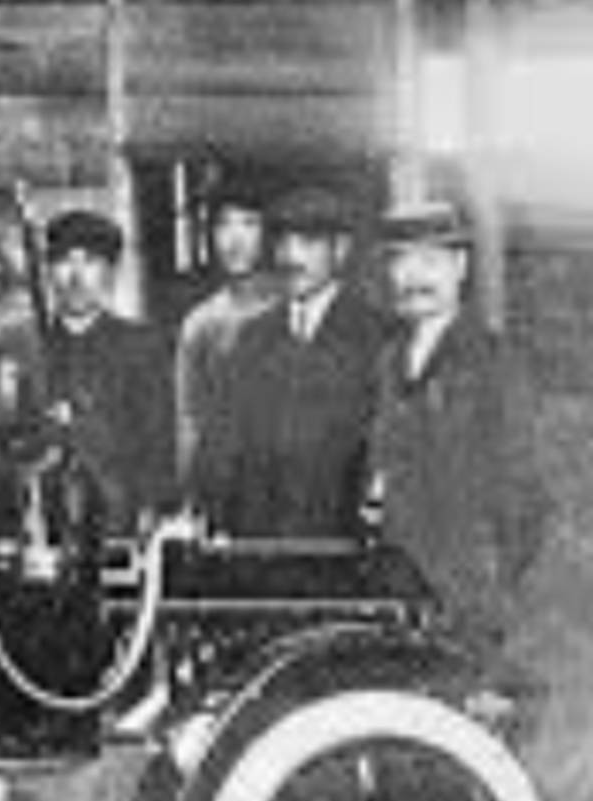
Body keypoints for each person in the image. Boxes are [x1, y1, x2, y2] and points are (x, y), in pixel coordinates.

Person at [371, 201, 551, 660]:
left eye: (430, 261)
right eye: (401, 261)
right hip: (395, 594)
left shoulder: (494, 364)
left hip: (467, 604)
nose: (413, 277)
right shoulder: (388, 362)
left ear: (460, 266)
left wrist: (490, 589)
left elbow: (524, 500)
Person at [191, 187, 388, 539]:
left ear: (340, 250)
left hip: (342, 550)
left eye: (309, 243)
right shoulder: (252, 339)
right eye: (283, 243)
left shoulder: (376, 338)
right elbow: (220, 450)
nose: (291, 257)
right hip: (258, 549)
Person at [0, 210, 174, 530]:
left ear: (111, 273)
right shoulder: (17, 346)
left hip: (117, 524)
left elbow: (160, 447)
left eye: (91, 262)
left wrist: (148, 517)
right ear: (48, 271)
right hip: (33, 523)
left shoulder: (141, 348)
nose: (76, 277)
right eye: (64, 261)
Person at [172, 177, 278, 485]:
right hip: (226, 482)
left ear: (268, 233)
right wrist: (188, 492)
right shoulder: (201, 323)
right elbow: (189, 419)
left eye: (249, 223)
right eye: (223, 224)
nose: (235, 238)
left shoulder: (297, 309)